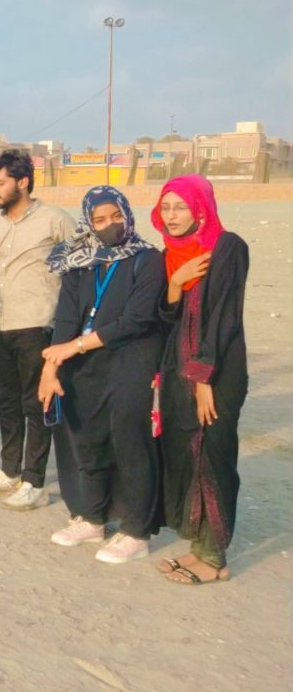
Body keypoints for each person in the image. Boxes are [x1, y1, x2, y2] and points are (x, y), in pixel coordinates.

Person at [38, 186, 165, 562]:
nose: (109, 225)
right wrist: (51, 367)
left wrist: (74, 346)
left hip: (132, 362)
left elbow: (138, 319)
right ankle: (92, 518)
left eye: (116, 216)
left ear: (127, 215)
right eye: (99, 219)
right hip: (85, 367)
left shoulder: (147, 259)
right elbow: (66, 316)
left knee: (130, 442)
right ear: (88, 222)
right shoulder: (81, 261)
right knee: (88, 439)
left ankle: (136, 531)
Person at [151, 175, 248, 586]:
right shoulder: (170, 256)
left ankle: (215, 558)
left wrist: (204, 377)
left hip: (217, 371)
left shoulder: (228, 247)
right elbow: (166, 318)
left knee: (213, 455)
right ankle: (198, 546)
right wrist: (174, 282)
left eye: (181, 207)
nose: (172, 216)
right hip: (177, 369)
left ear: (201, 209)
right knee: (185, 453)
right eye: (166, 207)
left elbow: (223, 316)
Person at [0, 150, 74, 509]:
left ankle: (34, 481)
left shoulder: (55, 220)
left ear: (23, 181)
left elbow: (79, 268)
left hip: (37, 323)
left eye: (0, 184)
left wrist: (66, 325)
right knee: (7, 401)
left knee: (36, 404)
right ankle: (9, 471)